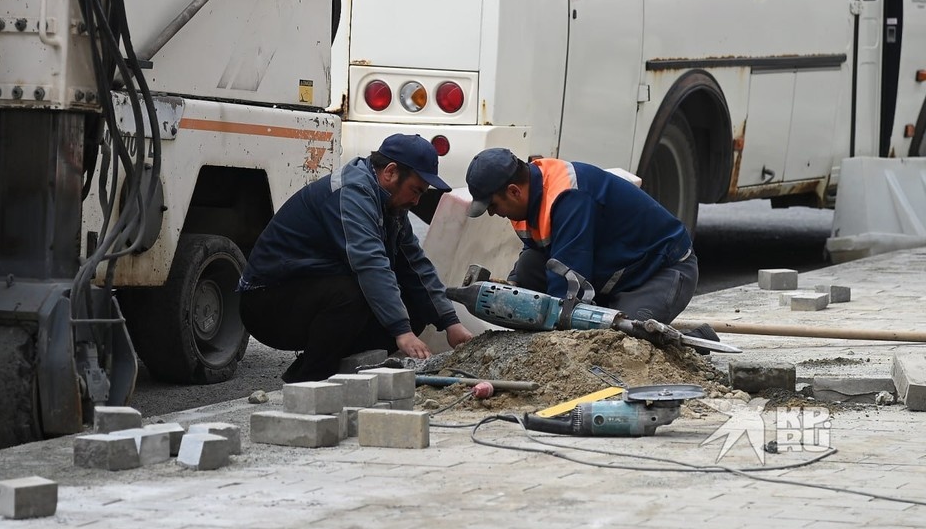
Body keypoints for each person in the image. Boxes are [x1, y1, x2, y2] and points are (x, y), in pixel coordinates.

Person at [238, 134, 474, 382]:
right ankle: (310, 381)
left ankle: (333, 371)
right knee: (355, 291)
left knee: (414, 304)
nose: (416, 201)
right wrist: (401, 331)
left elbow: (416, 266)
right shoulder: (352, 193)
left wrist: (450, 323)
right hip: (267, 303)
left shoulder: (390, 204)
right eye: (415, 190)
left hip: (311, 293)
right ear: (391, 172)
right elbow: (370, 264)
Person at [464, 148, 718, 346]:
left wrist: (554, 340)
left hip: (661, 272)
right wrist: (514, 287)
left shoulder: (568, 198)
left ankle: (696, 341)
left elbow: (569, 288)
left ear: (513, 191)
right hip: (613, 270)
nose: (491, 213)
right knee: (530, 265)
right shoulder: (527, 198)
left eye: (493, 205)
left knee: (621, 341)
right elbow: (536, 256)